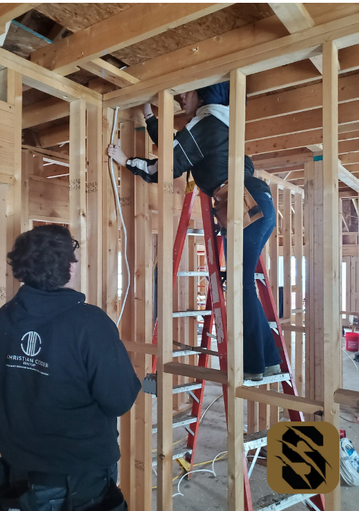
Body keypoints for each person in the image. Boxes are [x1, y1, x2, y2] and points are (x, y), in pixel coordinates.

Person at [108, 83, 279, 381]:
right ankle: (269, 359)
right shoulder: (222, 122)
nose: (181, 97)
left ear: (205, 94)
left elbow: (163, 168)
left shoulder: (207, 120)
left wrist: (127, 162)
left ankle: (253, 364)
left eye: (187, 91)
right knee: (243, 284)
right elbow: (176, 149)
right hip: (252, 205)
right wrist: (149, 116)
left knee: (241, 286)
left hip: (243, 209)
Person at [0, 225, 138, 511]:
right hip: (78, 482)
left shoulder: (3, 318)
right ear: (69, 268)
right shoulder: (90, 324)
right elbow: (119, 399)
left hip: (19, 476)